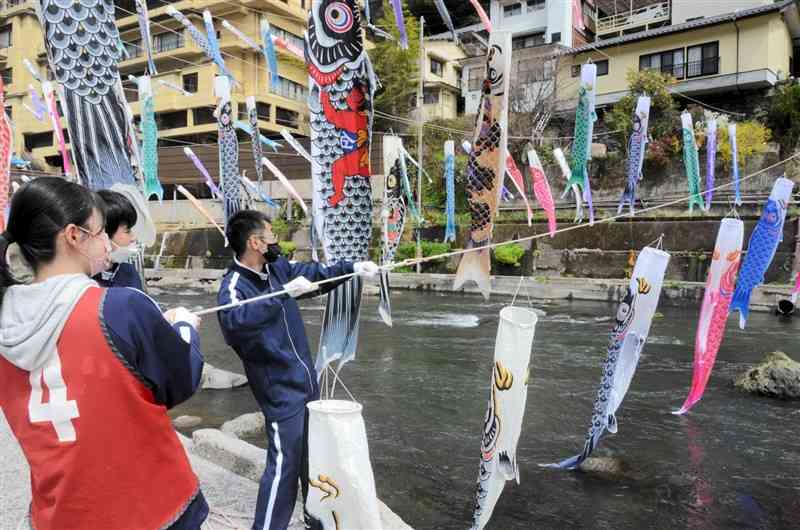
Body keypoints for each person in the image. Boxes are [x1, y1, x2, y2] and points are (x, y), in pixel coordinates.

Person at [0, 178, 208, 530]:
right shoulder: (119, 306)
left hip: (61, 513)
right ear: (74, 236)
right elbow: (181, 381)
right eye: (100, 232)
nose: (107, 243)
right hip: (150, 508)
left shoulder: (5, 320)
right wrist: (185, 327)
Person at [216, 210, 378, 530]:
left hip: (306, 382)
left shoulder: (276, 267)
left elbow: (315, 274)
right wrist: (280, 295)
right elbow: (235, 322)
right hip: (279, 390)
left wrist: (352, 269)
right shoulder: (233, 285)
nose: (276, 239)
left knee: (315, 462)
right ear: (255, 242)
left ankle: (316, 521)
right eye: (271, 234)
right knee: (284, 467)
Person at [95, 188, 143, 290]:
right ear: (103, 235)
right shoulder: (82, 283)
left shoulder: (129, 273)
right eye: (127, 231)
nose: (133, 238)